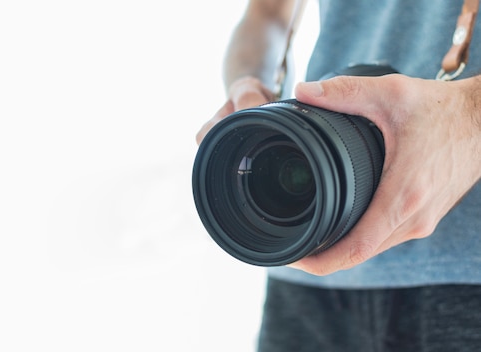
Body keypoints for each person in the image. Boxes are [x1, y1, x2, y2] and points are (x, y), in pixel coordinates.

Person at [196, 0, 481, 351]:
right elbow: (267, 15)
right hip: (306, 240)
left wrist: (470, 115)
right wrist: (249, 89)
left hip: (467, 269)